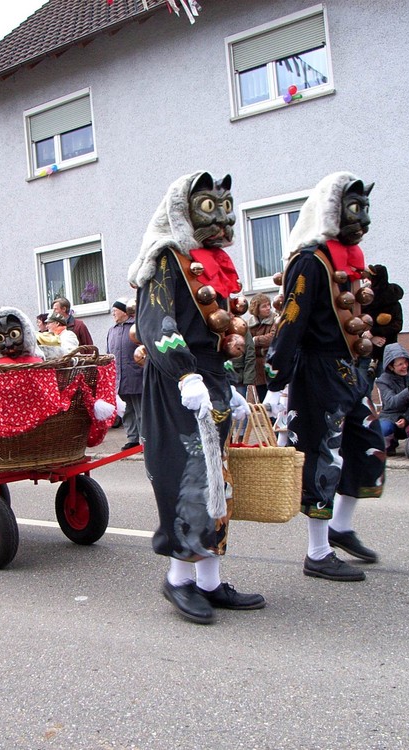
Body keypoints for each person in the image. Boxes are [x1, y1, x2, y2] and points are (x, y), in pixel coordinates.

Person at [129, 170, 264, 624]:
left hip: (211, 379)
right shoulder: (165, 259)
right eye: (209, 207)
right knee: (188, 478)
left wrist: (227, 381)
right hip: (176, 383)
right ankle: (178, 579)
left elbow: (218, 332)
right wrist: (187, 376)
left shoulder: (210, 265)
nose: (222, 219)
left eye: (225, 208)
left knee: (217, 483)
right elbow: (156, 323)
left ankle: (209, 581)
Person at [265, 171, 384, 581]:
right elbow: (291, 318)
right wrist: (276, 379)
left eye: (365, 209)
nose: (363, 220)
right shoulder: (311, 260)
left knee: (367, 445)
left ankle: (342, 528)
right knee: (323, 456)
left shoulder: (350, 262)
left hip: (352, 371)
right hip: (318, 370)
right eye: (354, 209)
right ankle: (316, 552)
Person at [106, 299, 143, 450]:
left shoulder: (136, 327)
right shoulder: (112, 330)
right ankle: (132, 438)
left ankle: (145, 439)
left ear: (124, 311)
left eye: (115, 310)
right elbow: (109, 354)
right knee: (126, 411)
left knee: (141, 410)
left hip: (136, 376)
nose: (113, 313)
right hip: (119, 378)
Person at [375, 343, 409, 455]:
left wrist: (406, 418)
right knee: (383, 429)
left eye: (405, 362)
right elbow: (391, 403)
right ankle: (390, 445)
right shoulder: (382, 380)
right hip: (391, 415)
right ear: (391, 367)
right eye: (400, 364)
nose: (405, 366)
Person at [360, 264, 404, 370]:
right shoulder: (364, 299)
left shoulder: (392, 302)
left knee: (387, 382)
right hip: (366, 349)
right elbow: (356, 323)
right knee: (364, 382)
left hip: (387, 351)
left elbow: (397, 325)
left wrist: (373, 332)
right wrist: (370, 336)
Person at [247, 293, 277, 403]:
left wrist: (255, 340)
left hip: (271, 364)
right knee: (262, 399)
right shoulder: (249, 324)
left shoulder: (275, 320)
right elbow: (246, 344)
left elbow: (273, 338)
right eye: (264, 306)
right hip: (258, 369)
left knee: (274, 399)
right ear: (256, 309)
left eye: (269, 305)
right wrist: (261, 348)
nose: (268, 308)